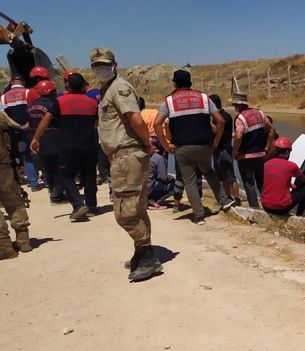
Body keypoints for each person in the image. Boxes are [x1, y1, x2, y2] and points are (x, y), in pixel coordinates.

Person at [90, 47, 161, 282]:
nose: (100, 68)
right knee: (137, 209)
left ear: (114, 64)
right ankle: (142, 253)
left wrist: (147, 144)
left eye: (104, 64)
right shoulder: (107, 89)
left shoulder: (119, 87)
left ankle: (148, 257)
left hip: (127, 156)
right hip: (123, 156)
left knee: (125, 214)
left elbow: (135, 118)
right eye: (96, 65)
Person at [153, 69, 236, 225]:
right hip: (204, 146)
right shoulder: (204, 97)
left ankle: (198, 215)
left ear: (174, 83)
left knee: (189, 180)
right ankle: (224, 200)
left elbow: (157, 124)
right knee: (209, 171)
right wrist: (216, 142)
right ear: (190, 82)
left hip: (182, 148)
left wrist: (165, 144)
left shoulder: (169, 101)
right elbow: (221, 121)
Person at [49, 73, 98, 220]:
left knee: (65, 175)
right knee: (89, 176)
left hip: (67, 146)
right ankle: (91, 206)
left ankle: (78, 204)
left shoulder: (60, 101)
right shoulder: (92, 103)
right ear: (84, 85)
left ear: (67, 86)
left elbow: (47, 120)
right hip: (89, 145)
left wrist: (36, 139)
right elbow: (97, 123)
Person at [0, 111, 32, 259]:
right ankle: (23, 240)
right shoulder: (1, 116)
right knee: (14, 202)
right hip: (5, 166)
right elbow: (13, 128)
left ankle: (4, 246)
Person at [0, 74, 40, 191]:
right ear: (23, 82)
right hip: (31, 128)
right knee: (35, 152)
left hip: (15, 131)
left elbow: (4, 116)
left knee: (23, 155)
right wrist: (28, 123)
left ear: (12, 82)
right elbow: (35, 108)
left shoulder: (3, 98)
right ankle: (48, 181)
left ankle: (33, 184)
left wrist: (18, 126)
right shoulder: (29, 92)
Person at [27, 80, 65, 205]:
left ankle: (51, 190)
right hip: (54, 139)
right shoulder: (54, 104)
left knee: (47, 168)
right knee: (59, 168)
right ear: (52, 91)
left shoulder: (32, 105)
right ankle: (56, 195)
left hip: (37, 141)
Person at [261, 137, 305, 216]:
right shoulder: (291, 166)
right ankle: (299, 216)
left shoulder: (266, 164)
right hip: (281, 209)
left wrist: (290, 185)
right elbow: (304, 180)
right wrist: (296, 187)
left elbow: (275, 179)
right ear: (287, 151)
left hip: (265, 206)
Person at [209, 94, 240, 206]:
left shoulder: (224, 117)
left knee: (230, 176)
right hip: (217, 150)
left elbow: (218, 131)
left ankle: (237, 199)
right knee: (222, 177)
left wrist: (208, 126)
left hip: (224, 149)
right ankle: (228, 197)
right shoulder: (216, 117)